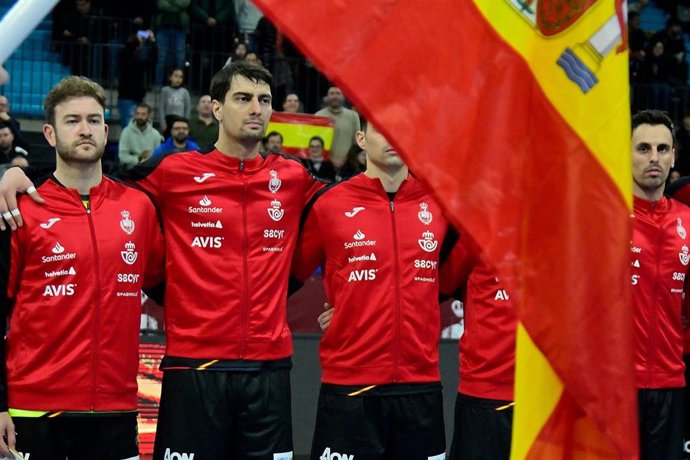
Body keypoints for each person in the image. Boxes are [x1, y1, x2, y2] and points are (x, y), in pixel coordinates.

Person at [0, 59, 326, 460]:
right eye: (243, 98)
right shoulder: (172, 171)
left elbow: (354, 208)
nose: (256, 108)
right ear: (216, 108)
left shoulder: (294, 176)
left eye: (264, 99)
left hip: (266, 370)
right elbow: (88, 175)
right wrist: (17, 173)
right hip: (189, 369)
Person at [0, 75, 165, 460]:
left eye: (93, 120)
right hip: (35, 409)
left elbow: (173, 287)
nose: (85, 129)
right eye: (72, 120)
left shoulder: (138, 208)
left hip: (117, 408)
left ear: (107, 131)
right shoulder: (20, 211)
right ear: (50, 133)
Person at [291, 119, 455, 459]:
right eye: (382, 128)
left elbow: (453, 278)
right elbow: (285, 274)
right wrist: (354, 305)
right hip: (350, 385)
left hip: (420, 385)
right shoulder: (329, 204)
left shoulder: (441, 205)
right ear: (361, 139)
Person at [629, 109, 690, 459]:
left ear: (673, 156)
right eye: (643, 148)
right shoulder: (604, 217)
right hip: (617, 391)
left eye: (663, 149)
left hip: (671, 387)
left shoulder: (686, 221)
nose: (654, 157)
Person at [439, 238, 517, 460]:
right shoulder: (476, 229)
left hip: (548, 400)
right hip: (485, 399)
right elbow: (426, 286)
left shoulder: (570, 230)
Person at [117, 31, 158, 128]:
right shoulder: (136, 62)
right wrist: (152, 42)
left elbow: (129, 46)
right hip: (129, 99)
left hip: (131, 98)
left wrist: (138, 39)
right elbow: (153, 60)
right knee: (129, 129)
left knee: (136, 129)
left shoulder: (123, 56)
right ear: (137, 47)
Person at [315, 87, 360, 165]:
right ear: (326, 97)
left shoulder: (353, 116)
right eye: (332, 93)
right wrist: (331, 158)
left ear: (343, 97)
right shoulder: (318, 116)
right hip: (323, 164)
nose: (335, 96)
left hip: (348, 164)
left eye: (338, 93)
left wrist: (347, 158)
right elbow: (315, 143)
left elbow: (356, 143)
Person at [118, 103, 164, 169]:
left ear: (148, 115)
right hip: (131, 170)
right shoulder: (126, 132)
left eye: (143, 114)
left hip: (150, 170)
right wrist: (139, 160)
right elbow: (122, 157)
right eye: (138, 113)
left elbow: (158, 157)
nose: (140, 117)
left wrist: (148, 162)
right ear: (134, 114)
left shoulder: (155, 134)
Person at [158, 67, 191, 134]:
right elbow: (161, 108)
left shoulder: (185, 92)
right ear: (170, 77)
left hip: (180, 120)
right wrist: (162, 123)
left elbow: (187, 109)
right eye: (176, 76)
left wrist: (185, 122)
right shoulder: (165, 90)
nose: (178, 79)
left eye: (180, 77)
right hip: (168, 121)